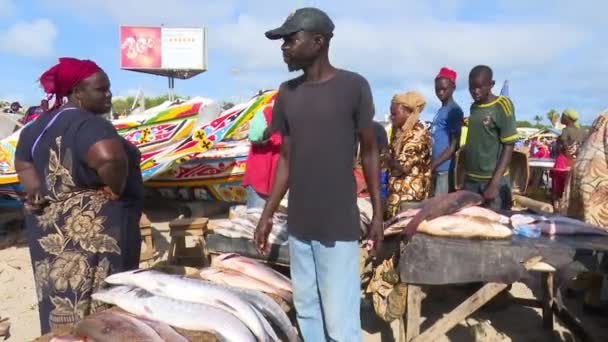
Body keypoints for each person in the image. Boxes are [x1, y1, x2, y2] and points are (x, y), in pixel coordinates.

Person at [254, 8, 383, 341]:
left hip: (337, 225)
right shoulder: (287, 93)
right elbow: (286, 157)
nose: (284, 47)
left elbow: (369, 152)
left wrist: (379, 218)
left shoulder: (353, 86)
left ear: (319, 41)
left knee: (340, 322)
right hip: (299, 225)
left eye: (290, 39)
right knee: (308, 313)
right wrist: (267, 215)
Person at [14, 57, 144, 334]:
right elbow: (110, 158)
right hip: (94, 229)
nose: (109, 95)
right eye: (101, 89)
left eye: (109, 88)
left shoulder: (37, 127)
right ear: (77, 93)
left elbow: (23, 162)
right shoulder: (89, 124)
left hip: (50, 229)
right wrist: (117, 186)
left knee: (59, 299)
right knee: (101, 302)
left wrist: (35, 188)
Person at [562, 110, 608, 314]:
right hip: (598, 179)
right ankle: (593, 297)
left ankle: (579, 283)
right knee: (602, 238)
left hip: (583, 174)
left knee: (588, 232)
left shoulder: (603, 113)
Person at [462, 65, 517, 210]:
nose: (475, 91)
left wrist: (494, 183)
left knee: (496, 226)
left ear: (491, 85)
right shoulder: (474, 107)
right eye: (471, 88)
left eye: (480, 87)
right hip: (471, 181)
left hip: (492, 182)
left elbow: (509, 145)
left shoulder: (502, 105)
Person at [385, 91, 432, 218]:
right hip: (397, 195)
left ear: (408, 113)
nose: (391, 117)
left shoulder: (417, 134)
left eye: (395, 114)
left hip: (410, 198)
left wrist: (385, 157)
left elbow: (402, 166)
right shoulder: (400, 132)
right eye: (391, 114)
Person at [242, 103, 282, 209]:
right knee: (257, 216)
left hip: (283, 179)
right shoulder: (265, 111)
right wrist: (275, 124)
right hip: (261, 175)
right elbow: (255, 137)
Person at [431, 67, 463, 194]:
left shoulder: (454, 111)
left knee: (440, 207)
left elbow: (453, 147)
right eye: (437, 89)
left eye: (444, 89)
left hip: (445, 169)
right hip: (437, 168)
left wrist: (433, 165)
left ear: (453, 88)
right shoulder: (441, 111)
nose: (440, 92)